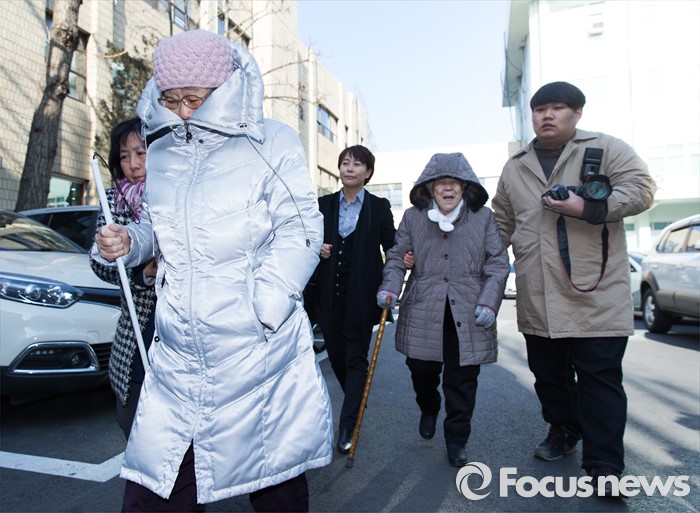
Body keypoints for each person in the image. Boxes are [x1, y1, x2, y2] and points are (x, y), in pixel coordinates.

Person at [92, 30, 332, 512]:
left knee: (275, 484)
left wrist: (263, 308)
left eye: (194, 99)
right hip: (179, 349)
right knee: (152, 491)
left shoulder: (271, 139)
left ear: (223, 89)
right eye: (171, 100)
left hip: (257, 350)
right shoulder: (161, 148)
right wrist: (129, 243)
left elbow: (301, 228)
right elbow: (157, 226)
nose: (182, 111)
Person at [491, 81, 656, 497]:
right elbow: (500, 223)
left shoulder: (606, 148)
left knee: (600, 380)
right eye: (539, 109)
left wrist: (589, 207)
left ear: (577, 113)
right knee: (549, 378)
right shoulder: (516, 166)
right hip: (538, 293)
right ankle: (563, 428)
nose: (547, 115)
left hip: (596, 293)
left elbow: (642, 190)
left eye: (558, 107)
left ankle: (605, 466)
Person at [376, 153, 509, 467]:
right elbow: (396, 257)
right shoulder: (413, 217)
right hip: (424, 307)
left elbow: (497, 264)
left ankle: (456, 439)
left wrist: (489, 302)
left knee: (462, 381)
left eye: (455, 182)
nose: (448, 188)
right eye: (441, 183)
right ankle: (429, 406)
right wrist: (390, 287)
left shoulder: (483, 218)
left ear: (465, 187)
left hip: (469, 311)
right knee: (421, 371)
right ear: (430, 188)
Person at [313, 145, 396, 454]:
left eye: (357, 164)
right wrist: (316, 247)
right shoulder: (322, 205)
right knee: (336, 357)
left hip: (362, 296)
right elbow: (302, 239)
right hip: (327, 296)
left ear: (368, 172)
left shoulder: (379, 207)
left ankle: (347, 424)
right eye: (345, 163)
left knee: (355, 358)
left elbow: (392, 247)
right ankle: (356, 398)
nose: (350, 168)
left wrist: (400, 266)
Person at [90, 117, 157, 440]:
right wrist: (141, 273)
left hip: (183, 328)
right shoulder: (112, 201)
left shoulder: (178, 196)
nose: (133, 164)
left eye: (141, 153)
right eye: (124, 156)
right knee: (131, 419)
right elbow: (100, 265)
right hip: (137, 329)